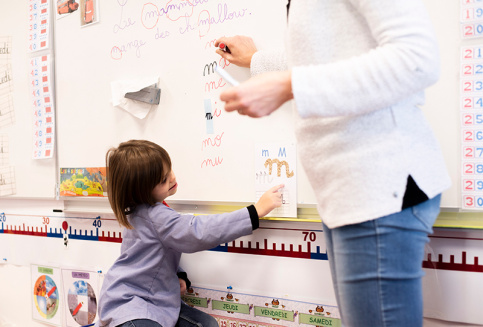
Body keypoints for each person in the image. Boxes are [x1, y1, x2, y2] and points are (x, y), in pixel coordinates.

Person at [214, 0, 451, 326]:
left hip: (379, 187)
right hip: (349, 194)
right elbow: (326, 57)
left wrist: (288, 86)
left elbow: (417, 59)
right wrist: (259, 62)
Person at [96, 139, 283, 327]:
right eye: (163, 180)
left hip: (157, 301)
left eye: (169, 170)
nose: (172, 178)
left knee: (207, 324)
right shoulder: (155, 216)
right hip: (131, 306)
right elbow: (198, 232)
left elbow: (152, 256)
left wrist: (180, 275)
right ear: (141, 191)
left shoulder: (143, 212)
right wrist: (255, 211)